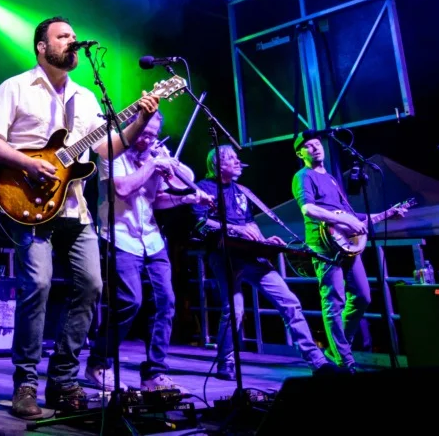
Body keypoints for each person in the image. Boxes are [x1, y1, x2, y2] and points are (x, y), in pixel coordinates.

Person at [0, 16, 159, 418]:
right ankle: (25, 380)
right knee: (37, 285)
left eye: (75, 36)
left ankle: (63, 377)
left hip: (76, 207)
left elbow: (108, 148)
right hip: (30, 201)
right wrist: (28, 163)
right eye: (64, 36)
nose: (73, 41)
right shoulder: (16, 86)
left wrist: (141, 118)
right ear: (42, 46)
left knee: (92, 285)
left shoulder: (86, 97)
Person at [84, 111, 209, 393]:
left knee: (166, 301)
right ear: (132, 126)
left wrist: (187, 193)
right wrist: (153, 164)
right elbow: (125, 188)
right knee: (129, 301)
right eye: (143, 133)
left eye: (153, 134)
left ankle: (155, 373)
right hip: (119, 236)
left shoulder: (153, 155)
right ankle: (98, 362)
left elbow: (159, 200)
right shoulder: (111, 152)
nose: (147, 139)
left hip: (152, 239)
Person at [193, 144, 337, 379]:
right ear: (218, 164)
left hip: (252, 256)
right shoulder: (204, 188)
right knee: (235, 310)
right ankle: (225, 363)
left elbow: (250, 222)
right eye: (233, 160)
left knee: (290, 302)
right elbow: (201, 224)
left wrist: (264, 239)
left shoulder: (242, 190)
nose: (239, 163)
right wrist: (237, 230)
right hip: (225, 256)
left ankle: (317, 361)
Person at [292, 131, 371, 372]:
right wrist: (347, 221)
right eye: (309, 146)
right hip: (323, 244)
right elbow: (308, 209)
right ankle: (345, 360)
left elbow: (348, 215)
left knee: (362, 297)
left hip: (346, 244)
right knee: (334, 301)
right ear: (300, 153)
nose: (316, 148)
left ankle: (337, 347)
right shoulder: (302, 176)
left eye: (317, 144)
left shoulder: (333, 179)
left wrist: (384, 215)